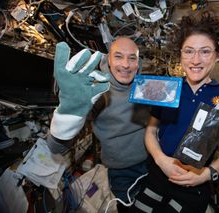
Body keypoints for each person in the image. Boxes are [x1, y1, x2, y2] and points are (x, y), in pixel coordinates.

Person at [130, 14, 219, 213]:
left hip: (195, 184)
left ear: (217, 56)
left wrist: (206, 175)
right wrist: (160, 159)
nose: (196, 60)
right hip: (158, 175)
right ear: (180, 54)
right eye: (189, 51)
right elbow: (150, 132)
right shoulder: (166, 88)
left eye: (205, 52)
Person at [47, 37, 149, 212]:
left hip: (152, 161)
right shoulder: (96, 91)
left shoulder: (146, 85)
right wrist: (68, 115)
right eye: (118, 56)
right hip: (122, 171)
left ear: (138, 63)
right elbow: (55, 147)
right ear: (108, 59)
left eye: (132, 58)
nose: (125, 64)